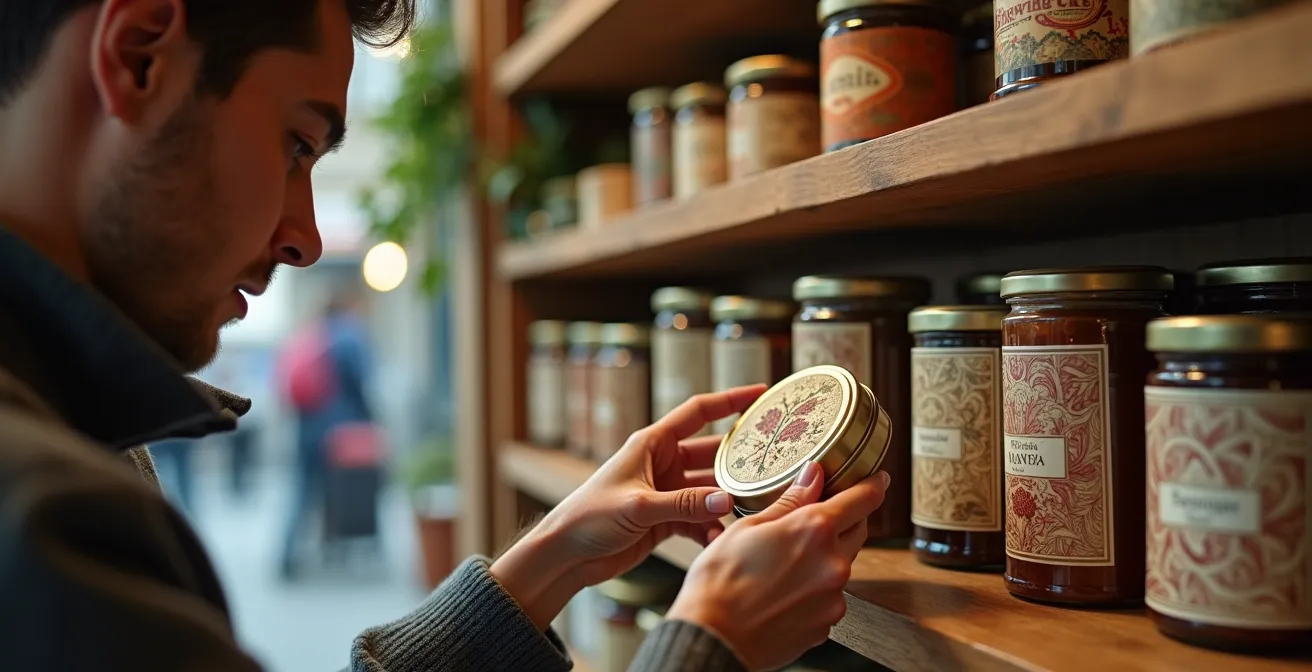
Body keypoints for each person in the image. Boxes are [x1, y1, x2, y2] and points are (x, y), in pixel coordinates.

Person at [0, 1, 891, 671]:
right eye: (297, 145)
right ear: (139, 55)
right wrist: (707, 646)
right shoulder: (47, 513)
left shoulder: (66, 433)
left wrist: (543, 565)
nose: (304, 236)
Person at [279, 288, 377, 578]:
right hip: (339, 430)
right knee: (343, 493)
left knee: (303, 489)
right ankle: (337, 554)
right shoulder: (350, 335)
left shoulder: (313, 335)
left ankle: (286, 554)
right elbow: (361, 384)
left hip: (307, 426)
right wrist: (370, 420)